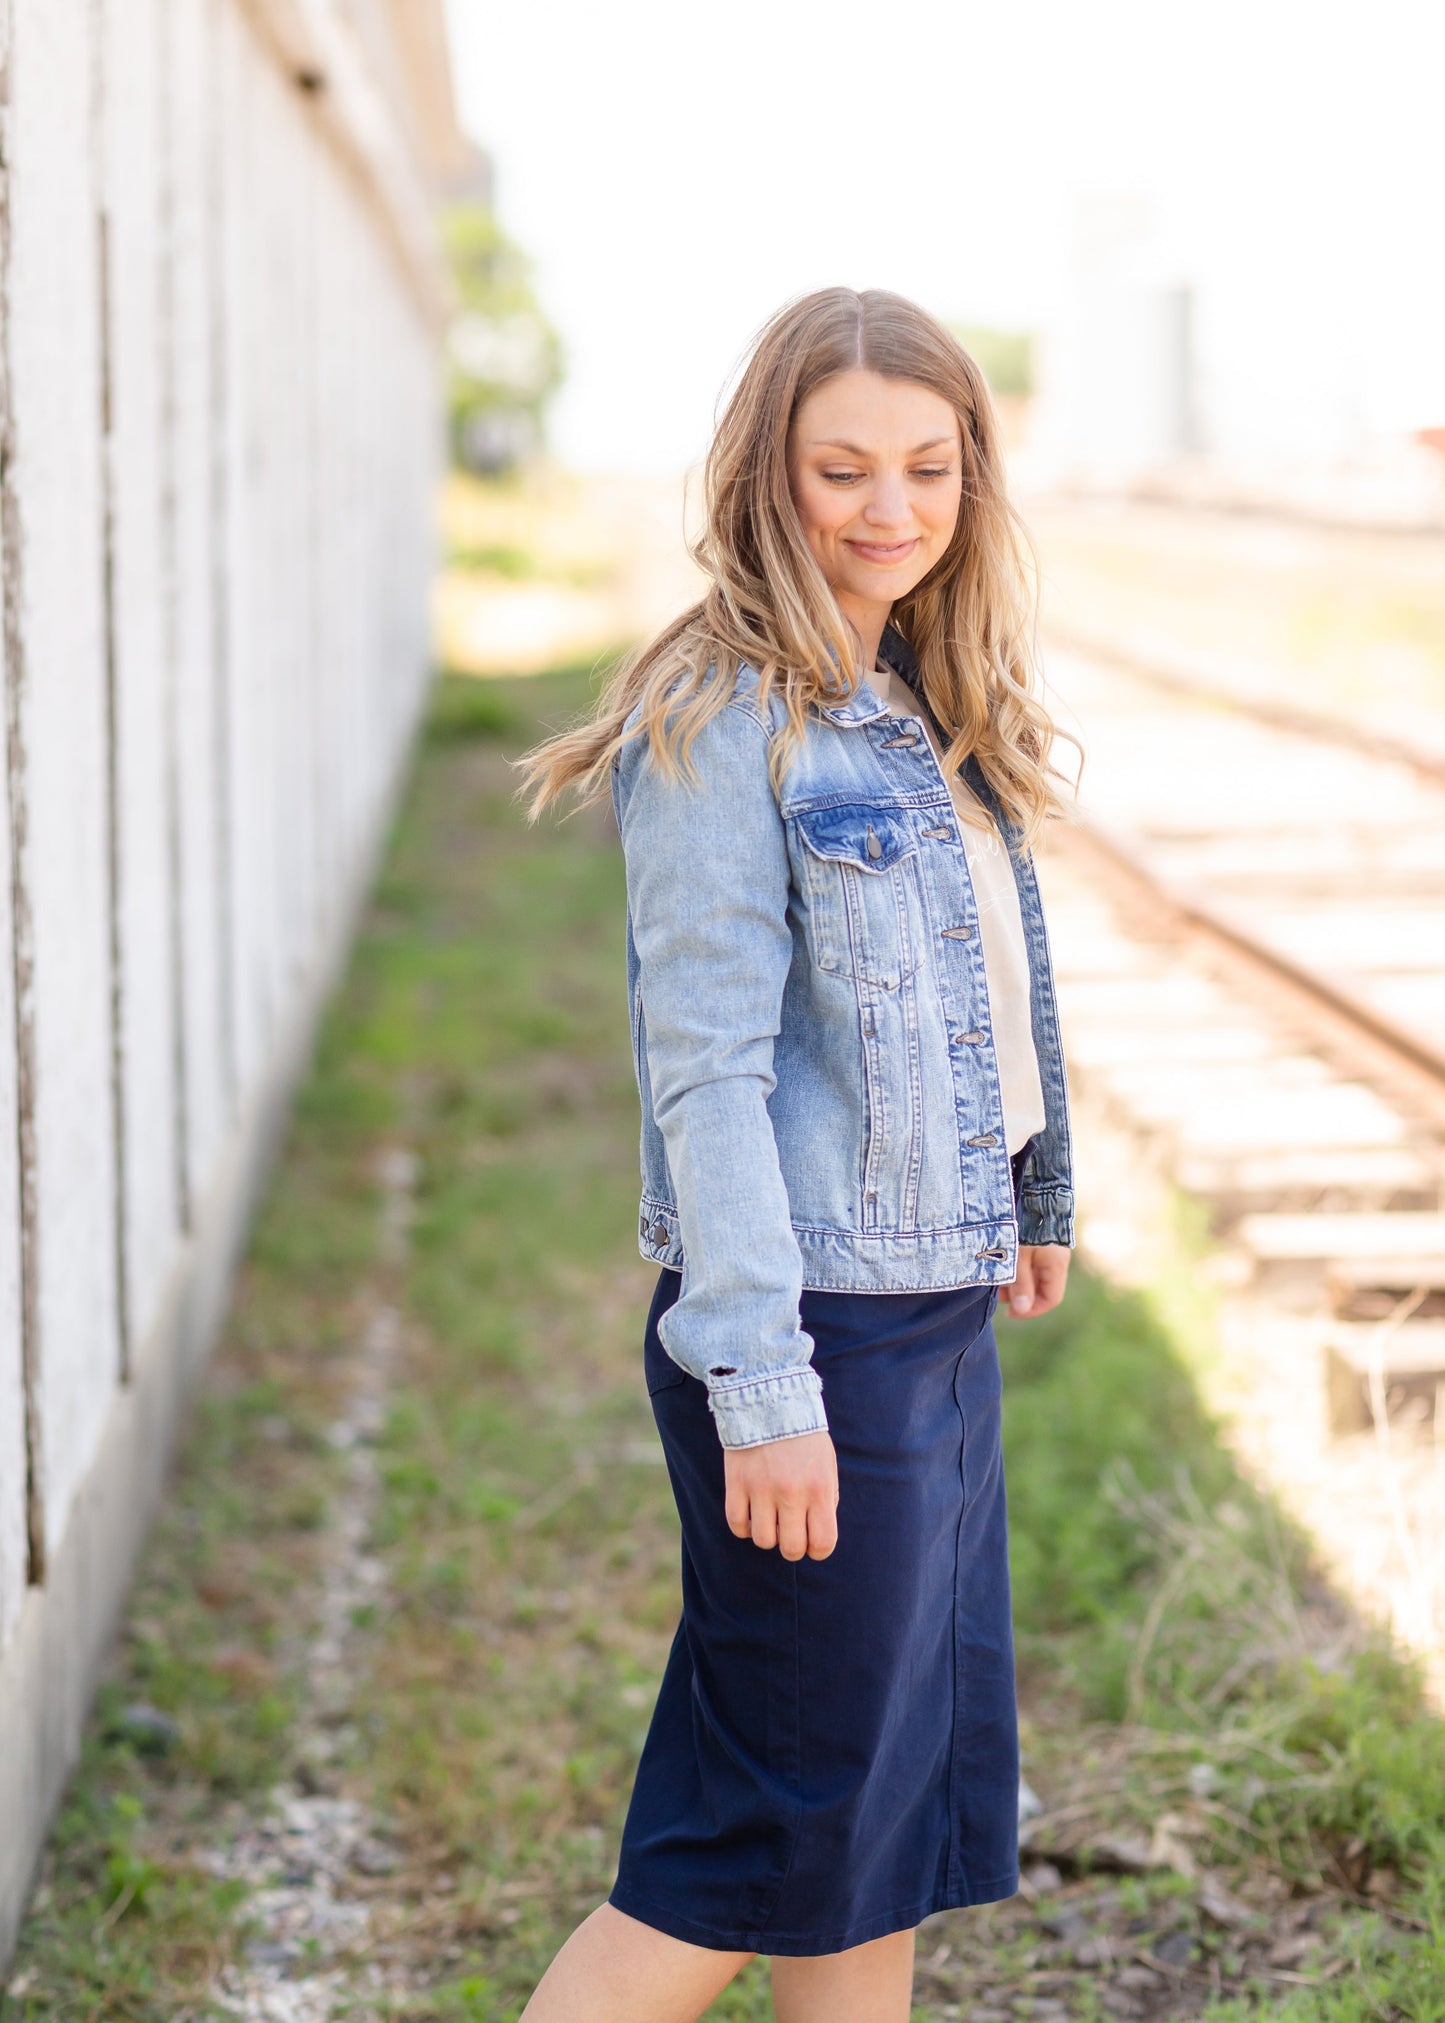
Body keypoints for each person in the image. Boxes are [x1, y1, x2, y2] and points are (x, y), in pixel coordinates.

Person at [514, 286, 1075, 2023]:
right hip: (813, 1333)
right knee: (749, 1852)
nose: (888, 509)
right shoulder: (719, 716)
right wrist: (763, 1385)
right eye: (842, 471)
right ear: (770, 470)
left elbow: (990, 964)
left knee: (873, 1841)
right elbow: (706, 1075)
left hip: (927, 1316)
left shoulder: (909, 683)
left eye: (925, 467)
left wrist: (1030, 1189)